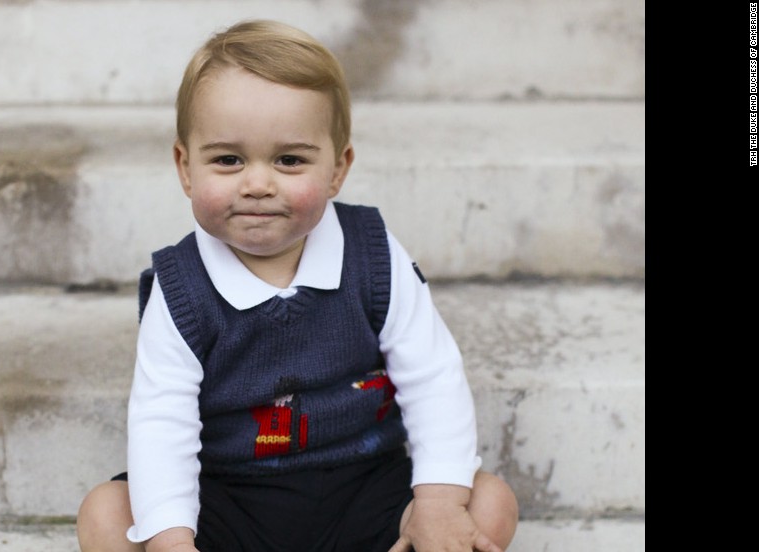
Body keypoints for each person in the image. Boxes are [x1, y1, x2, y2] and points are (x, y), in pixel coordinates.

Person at [77, 19, 519, 552]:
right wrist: (172, 540)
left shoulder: (373, 256)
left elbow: (432, 377)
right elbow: (160, 422)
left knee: (490, 500)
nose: (258, 183)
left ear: (338, 169)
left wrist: (438, 505)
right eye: (228, 159)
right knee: (105, 515)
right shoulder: (181, 289)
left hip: (363, 479)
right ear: (185, 167)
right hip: (227, 492)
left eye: (289, 160)